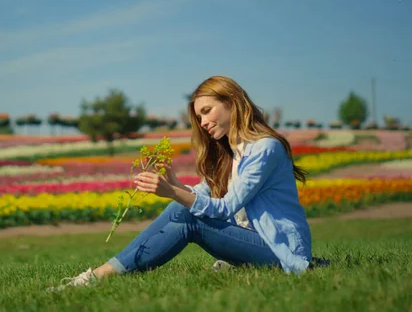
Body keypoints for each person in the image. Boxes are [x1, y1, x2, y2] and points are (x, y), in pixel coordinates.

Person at [48, 75, 318, 292]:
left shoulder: (264, 149)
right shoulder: (231, 153)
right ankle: (103, 273)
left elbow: (224, 208)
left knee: (186, 214)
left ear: (232, 101)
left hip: (280, 251)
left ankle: (100, 275)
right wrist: (175, 184)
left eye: (207, 111)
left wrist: (173, 192)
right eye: (199, 117)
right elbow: (203, 198)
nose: (203, 123)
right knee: (183, 211)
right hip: (253, 243)